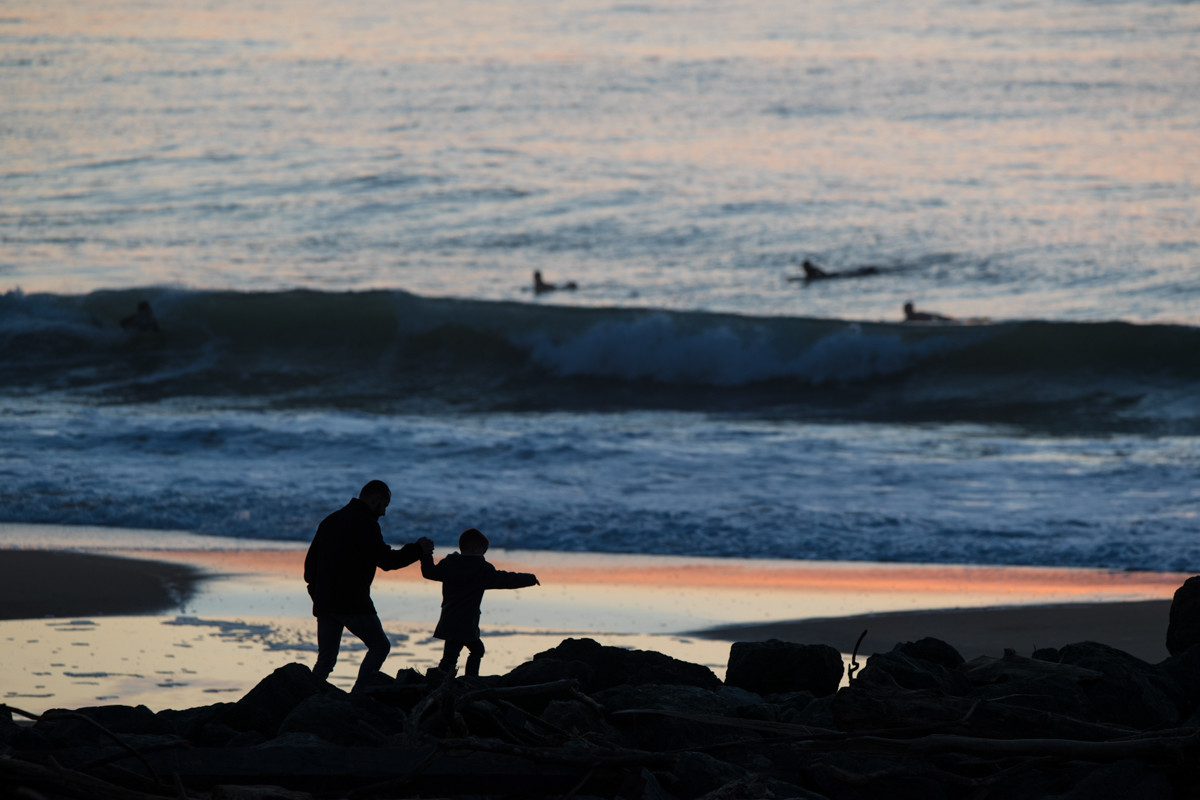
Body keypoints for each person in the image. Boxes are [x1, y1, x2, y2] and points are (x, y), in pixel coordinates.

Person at [304, 480, 434, 690]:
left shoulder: (330, 520)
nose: (383, 512)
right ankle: (359, 695)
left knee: (325, 660)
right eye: (383, 505)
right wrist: (418, 549)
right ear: (374, 500)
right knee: (380, 646)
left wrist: (317, 594)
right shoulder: (365, 523)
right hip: (352, 601)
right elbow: (387, 561)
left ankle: (303, 699)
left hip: (325, 600)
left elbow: (309, 567)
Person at [421, 527, 539, 678]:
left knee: (455, 654)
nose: (484, 555)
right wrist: (529, 578)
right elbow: (506, 579)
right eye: (484, 551)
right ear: (475, 548)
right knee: (467, 652)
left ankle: (452, 679)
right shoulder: (482, 569)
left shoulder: (449, 564)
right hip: (466, 621)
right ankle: (468, 680)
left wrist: (425, 554)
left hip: (449, 619)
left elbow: (429, 572)